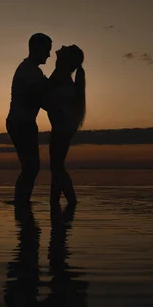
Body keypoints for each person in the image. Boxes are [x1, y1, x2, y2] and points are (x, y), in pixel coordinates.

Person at [6, 33, 52, 205]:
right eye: (47, 50)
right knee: (31, 167)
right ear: (37, 49)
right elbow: (41, 99)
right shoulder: (29, 71)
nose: (48, 55)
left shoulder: (33, 71)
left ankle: (22, 203)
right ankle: (21, 203)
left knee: (31, 167)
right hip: (21, 123)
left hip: (24, 122)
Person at [43, 45, 85, 206]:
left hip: (62, 129)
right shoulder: (60, 79)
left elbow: (47, 101)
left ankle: (70, 201)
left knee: (57, 167)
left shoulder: (64, 84)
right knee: (56, 167)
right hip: (61, 129)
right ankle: (55, 202)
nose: (61, 47)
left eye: (65, 49)